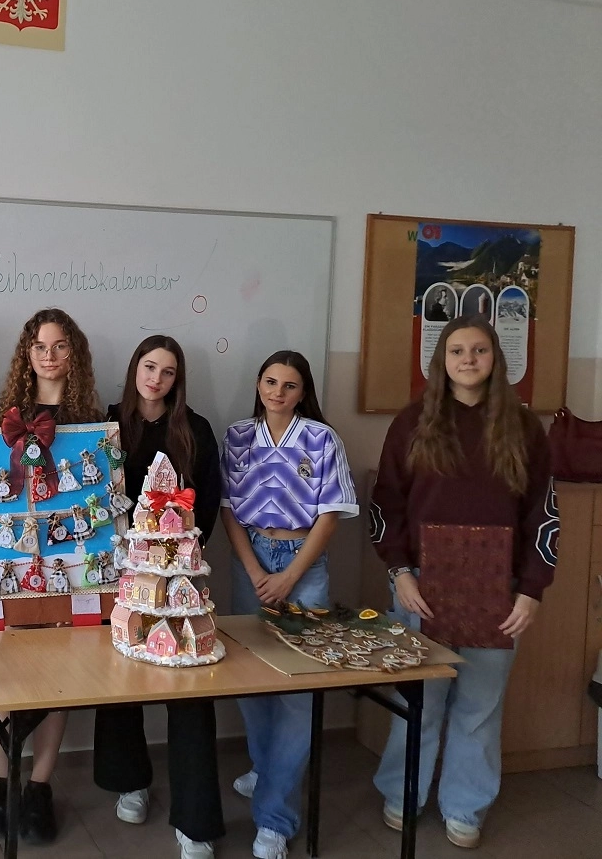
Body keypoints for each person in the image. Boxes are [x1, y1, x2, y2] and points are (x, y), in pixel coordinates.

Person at [370, 316, 557, 849]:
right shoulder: (412, 423)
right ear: (442, 360)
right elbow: (387, 504)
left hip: (499, 590)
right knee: (420, 698)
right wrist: (399, 573)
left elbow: (542, 513)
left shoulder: (525, 429)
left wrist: (532, 589)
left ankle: (465, 805)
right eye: (457, 351)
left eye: (479, 350)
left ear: (496, 357)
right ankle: (403, 792)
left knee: (479, 706)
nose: (468, 360)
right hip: (421, 585)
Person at [219, 350, 358, 859]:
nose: (278, 392)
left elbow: (330, 514)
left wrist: (290, 576)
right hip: (250, 562)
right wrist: (256, 573)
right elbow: (229, 509)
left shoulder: (321, 439)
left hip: (303, 566)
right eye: (271, 381)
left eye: (290, 385)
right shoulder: (237, 436)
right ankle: (267, 769)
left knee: (299, 686)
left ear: (304, 392)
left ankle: (275, 818)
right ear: (258, 384)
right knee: (252, 680)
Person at [91, 336, 225, 859]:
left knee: (189, 693)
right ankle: (130, 781)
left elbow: (208, 500)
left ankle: (195, 821)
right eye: (149, 367)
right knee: (121, 677)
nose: (156, 379)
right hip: (119, 577)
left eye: (168, 372)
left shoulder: (195, 429)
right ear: (134, 369)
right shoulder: (108, 422)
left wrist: (176, 561)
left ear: (178, 379)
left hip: (177, 582)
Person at [0, 307, 102, 845]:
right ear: (26, 355)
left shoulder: (91, 418)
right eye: (40, 347)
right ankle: (2, 781)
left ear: (74, 355)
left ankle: (39, 786)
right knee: (3, 670)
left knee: (58, 674)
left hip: (68, 560)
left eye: (60, 346)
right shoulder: (0, 413)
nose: (49, 356)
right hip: (9, 558)